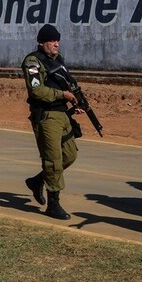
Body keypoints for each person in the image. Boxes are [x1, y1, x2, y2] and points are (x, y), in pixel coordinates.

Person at [22, 24, 83, 220]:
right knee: (53, 160)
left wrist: (74, 100)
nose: (56, 44)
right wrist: (62, 94)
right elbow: (37, 91)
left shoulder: (58, 61)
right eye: (51, 40)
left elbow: (67, 84)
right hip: (46, 116)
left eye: (57, 40)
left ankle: (38, 180)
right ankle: (53, 204)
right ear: (42, 42)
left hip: (63, 114)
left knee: (70, 155)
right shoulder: (33, 62)